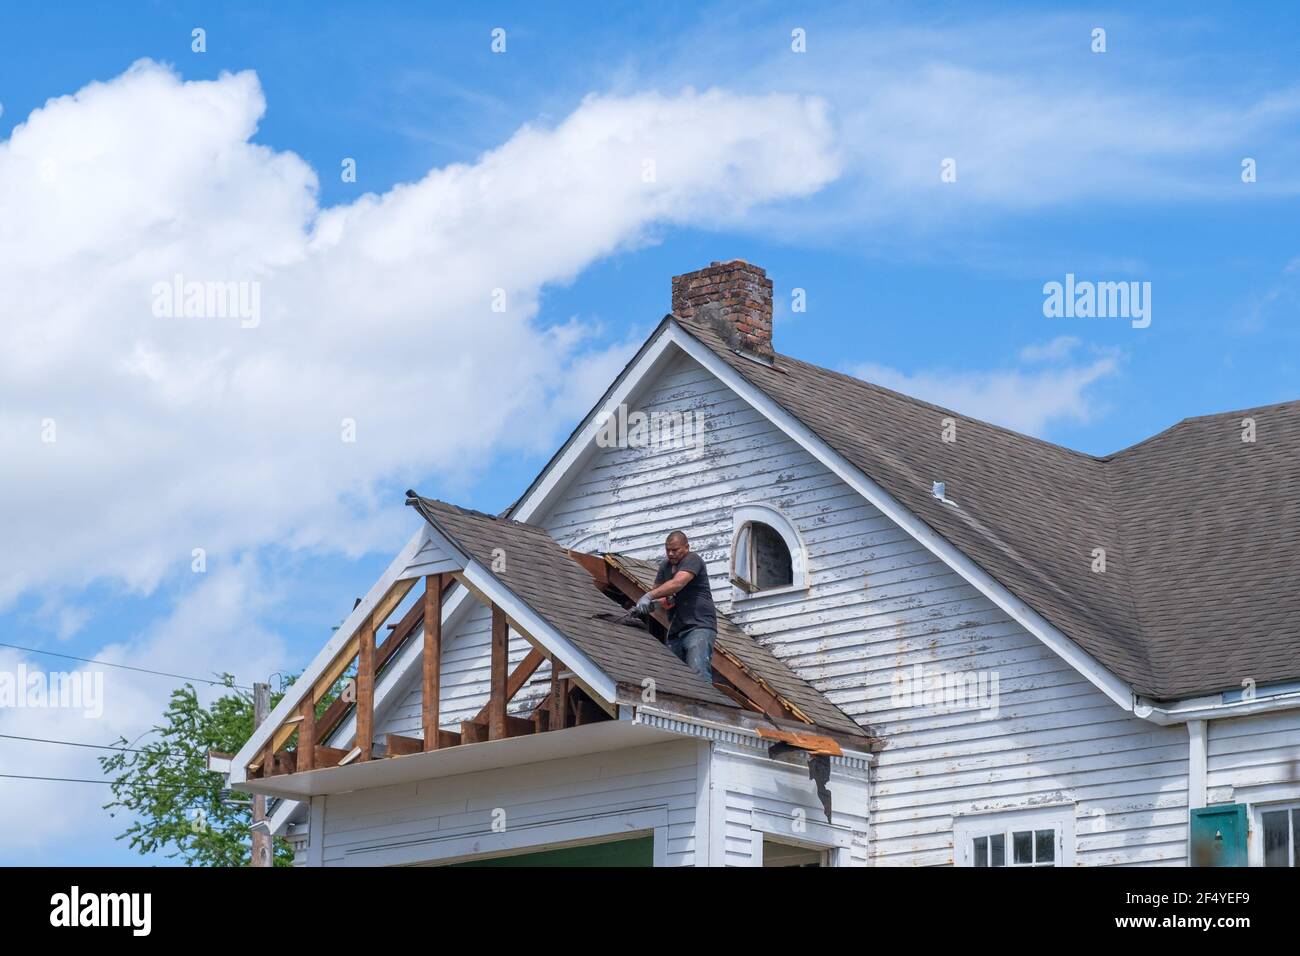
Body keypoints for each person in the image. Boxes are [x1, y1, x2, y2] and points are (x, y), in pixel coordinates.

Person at [634, 530, 717, 682]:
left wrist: (648, 597)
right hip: (677, 629)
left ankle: (702, 705)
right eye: (668, 550)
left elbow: (677, 583)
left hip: (699, 625)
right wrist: (649, 607)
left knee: (698, 671)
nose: (671, 554)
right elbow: (664, 597)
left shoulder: (693, 560)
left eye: (675, 550)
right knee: (675, 677)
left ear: (686, 547)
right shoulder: (665, 567)